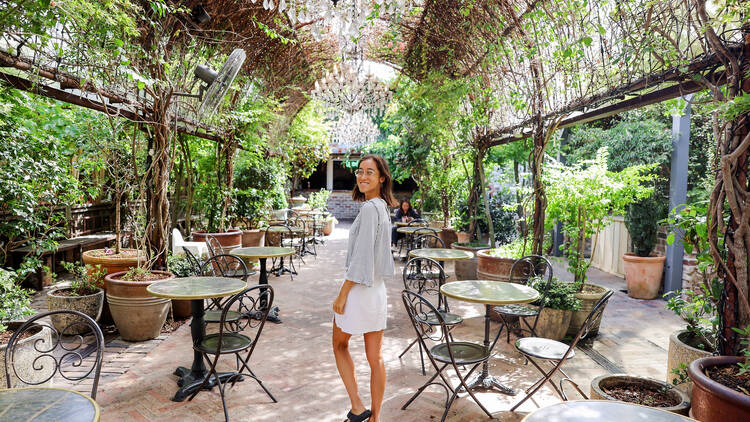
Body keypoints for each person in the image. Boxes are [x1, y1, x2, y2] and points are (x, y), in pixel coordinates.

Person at [332, 154, 397, 422]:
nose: (363, 177)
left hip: (359, 290)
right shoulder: (382, 207)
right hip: (377, 291)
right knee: (375, 357)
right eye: (360, 172)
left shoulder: (370, 209)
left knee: (339, 345)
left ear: (382, 178)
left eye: (370, 172)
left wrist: (343, 293)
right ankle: (376, 417)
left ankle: (358, 407)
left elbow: (361, 259)